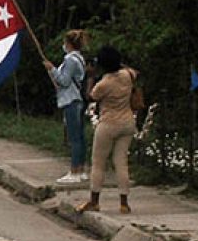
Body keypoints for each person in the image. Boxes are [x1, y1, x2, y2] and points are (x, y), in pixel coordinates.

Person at [77, 46, 137, 214]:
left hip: (108, 123)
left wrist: (90, 76)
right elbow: (132, 71)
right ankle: (124, 203)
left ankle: (94, 201)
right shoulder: (128, 75)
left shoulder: (104, 83)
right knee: (121, 162)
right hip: (127, 122)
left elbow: (90, 96)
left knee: (98, 163)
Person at [44, 30, 89, 184]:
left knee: (74, 137)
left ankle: (75, 170)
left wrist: (52, 69)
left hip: (71, 100)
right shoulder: (80, 59)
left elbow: (64, 81)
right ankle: (81, 169)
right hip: (77, 99)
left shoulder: (70, 60)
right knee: (80, 136)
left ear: (69, 44)